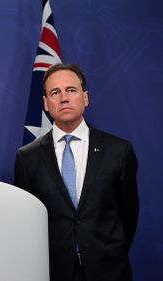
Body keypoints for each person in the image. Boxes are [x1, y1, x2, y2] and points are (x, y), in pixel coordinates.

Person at [14, 64, 139, 281]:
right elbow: (28, 222)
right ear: (45, 103)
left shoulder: (118, 151)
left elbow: (128, 215)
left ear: (85, 97)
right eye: (55, 92)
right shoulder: (27, 158)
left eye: (71, 90)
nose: (64, 98)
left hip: (109, 271)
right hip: (54, 272)